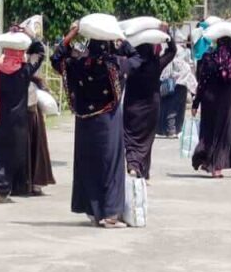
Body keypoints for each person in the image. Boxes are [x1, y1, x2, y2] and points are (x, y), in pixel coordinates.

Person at [52, 22, 129, 228]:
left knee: (88, 165)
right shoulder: (114, 65)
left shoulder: (77, 64)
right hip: (108, 122)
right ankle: (110, 215)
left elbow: (56, 58)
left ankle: (93, 212)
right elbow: (137, 58)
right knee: (110, 166)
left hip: (85, 123)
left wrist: (72, 33)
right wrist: (121, 40)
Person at [0, 31, 46, 204]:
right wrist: (29, 35)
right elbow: (40, 52)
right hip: (16, 125)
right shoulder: (25, 71)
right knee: (10, 158)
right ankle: (0, 189)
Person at [123, 25, 176, 180]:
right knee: (146, 139)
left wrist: (124, 40)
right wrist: (167, 34)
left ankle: (133, 164)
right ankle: (142, 172)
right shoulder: (156, 64)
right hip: (151, 107)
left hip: (132, 106)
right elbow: (172, 51)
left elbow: (119, 52)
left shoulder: (131, 64)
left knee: (131, 136)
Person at [192, 34, 231, 178]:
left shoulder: (209, 57)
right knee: (222, 133)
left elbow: (202, 82)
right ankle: (216, 167)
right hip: (226, 100)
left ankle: (207, 160)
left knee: (208, 130)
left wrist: (196, 102)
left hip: (209, 98)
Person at [23, 74, 56, 195]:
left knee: (34, 146)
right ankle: (33, 184)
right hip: (29, 112)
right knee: (35, 147)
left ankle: (32, 183)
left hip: (28, 111)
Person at [158, 41, 196, 138]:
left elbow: (164, 73)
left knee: (170, 108)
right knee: (177, 109)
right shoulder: (184, 58)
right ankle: (174, 130)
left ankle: (171, 130)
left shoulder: (168, 55)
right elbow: (190, 74)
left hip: (172, 85)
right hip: (181, 85)